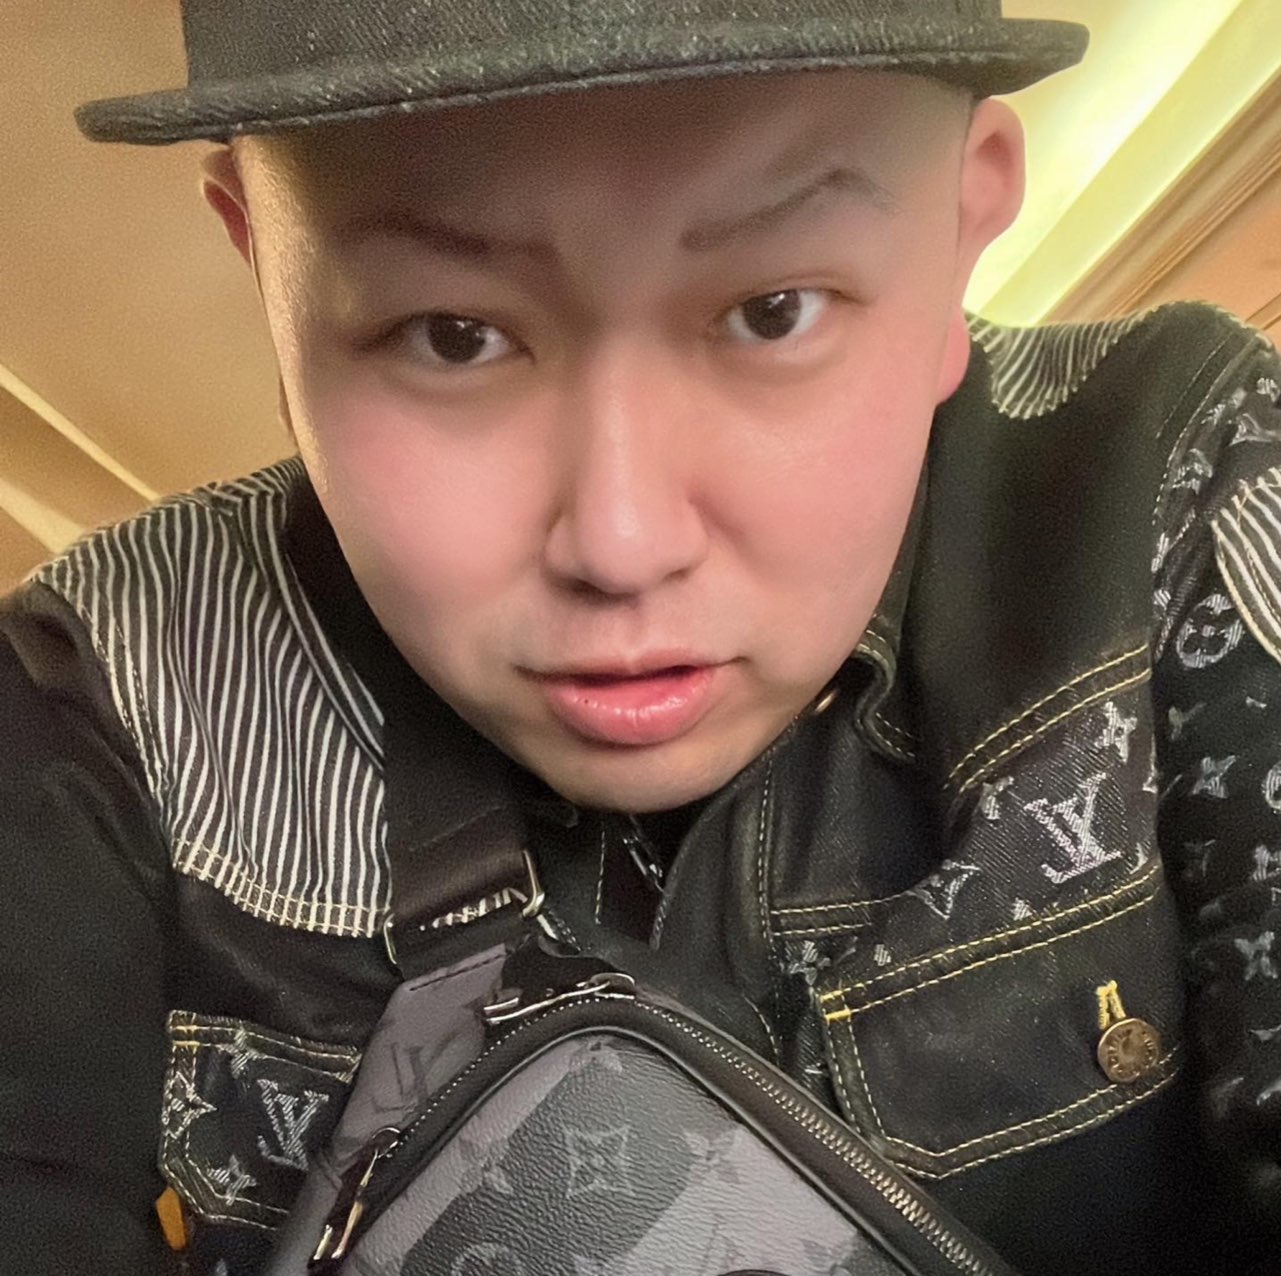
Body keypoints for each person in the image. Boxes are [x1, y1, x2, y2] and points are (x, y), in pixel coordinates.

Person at [3, 0, 1280, 1271]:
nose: (621, 545)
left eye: (775, 308)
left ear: (961, 226)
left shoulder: (1185, 478)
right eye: (454, 335)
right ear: (259, 262)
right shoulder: (92, 692)